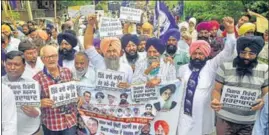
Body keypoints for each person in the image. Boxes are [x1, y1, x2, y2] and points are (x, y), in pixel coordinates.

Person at [177, 17, 236, 135]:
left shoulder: (211, 66)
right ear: (191, 54)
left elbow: (228, 52)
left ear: (206, 54)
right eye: (195, 53)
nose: (197, 56)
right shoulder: (182, 69)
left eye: (201, 53)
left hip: (203, 117)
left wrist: (230, 32)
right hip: (183, 117)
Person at [211, 36, 268, 135]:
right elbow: (216, 90)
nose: (246, 57)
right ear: (238, 52)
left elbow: (266, 94)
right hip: (225, 120)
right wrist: (215, 100)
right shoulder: (225, 66)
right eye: (243, 53)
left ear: (257, 54)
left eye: (251, 54)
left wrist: (262, 102)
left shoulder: (265, 69)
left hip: (250, 122)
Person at [33, 45, 77, 134]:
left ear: (58, 57)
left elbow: (74, 92)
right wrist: (40, 102)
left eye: (54, 56)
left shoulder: (67, 72)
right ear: (42, 59)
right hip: (52, 124)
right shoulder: (37, 78)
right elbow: (32, 102)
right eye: (48, 57)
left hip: (70, 121)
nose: (51, 59)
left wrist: (78, 97)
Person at [84, 15, 133, 88]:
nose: (112, 54)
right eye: (108, 51)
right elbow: (88, 45)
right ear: (103, 52)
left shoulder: (127, 68)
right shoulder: (98, 62)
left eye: (114, 51)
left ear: (119, 52)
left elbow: (132, 88)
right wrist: (91, 25)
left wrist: (128, 86)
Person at [2, 51, 41, 135]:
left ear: (24, 66)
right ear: (4, 65)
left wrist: (36, 112)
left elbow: (39, 106)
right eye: (9, 64)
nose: (12, 67)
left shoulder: (33, 84)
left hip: (30, 131)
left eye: (16, 64)